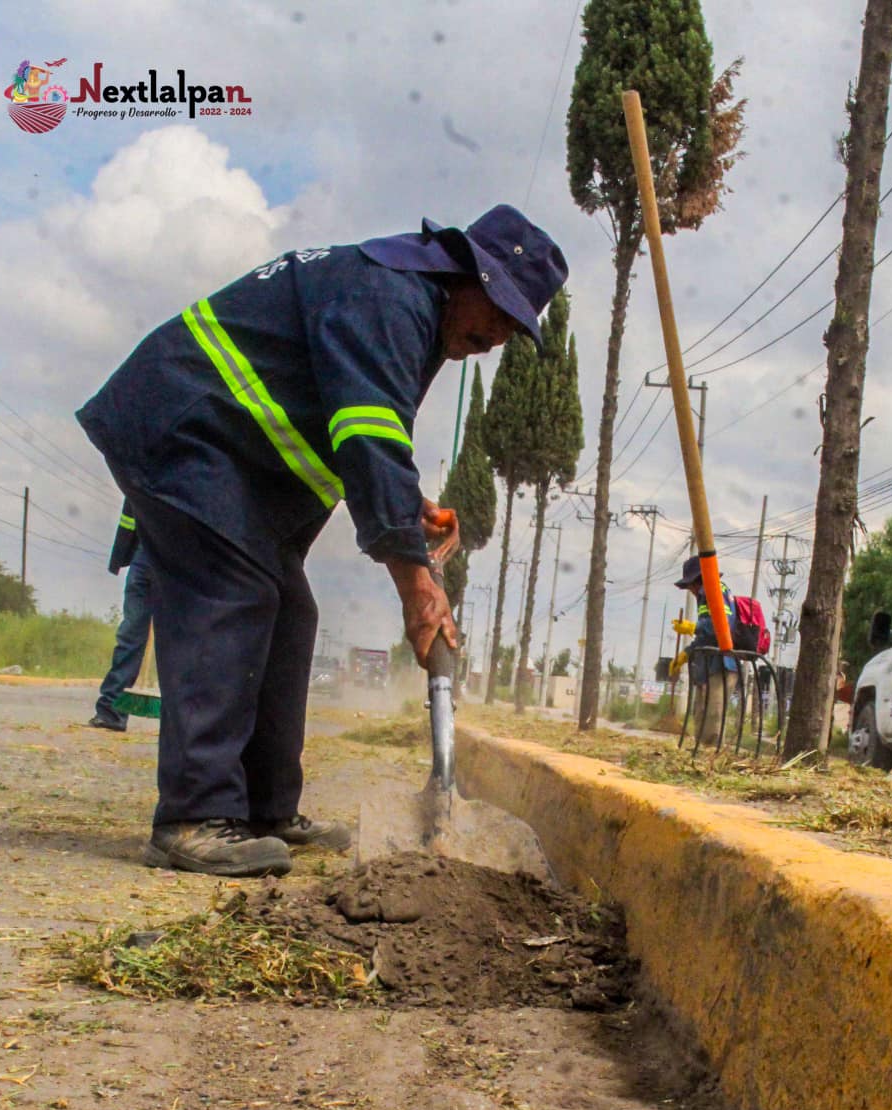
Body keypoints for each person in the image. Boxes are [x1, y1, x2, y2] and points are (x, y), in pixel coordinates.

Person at [76, 204, 567, 878]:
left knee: (289, 606)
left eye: (517, 324)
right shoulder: (390, 296)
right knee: (233, 589)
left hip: (227, 451)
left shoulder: (411, 304)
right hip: (186, 426)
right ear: (465, 271)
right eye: (501, 309)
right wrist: (418, 587)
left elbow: (363, 426)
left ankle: (265, 808)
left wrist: (407, 504)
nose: (501, 334)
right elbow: (367, 435)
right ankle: (192, 816)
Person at [88, 528, 153, 733]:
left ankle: (190, 720)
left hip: (186, 551)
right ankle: (112, 711)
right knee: (131, 632)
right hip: (147, 549)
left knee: (185, 636)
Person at [669, 556, 738, 744]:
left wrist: (693, 627)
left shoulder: (715, 589)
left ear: (697, 580)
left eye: (690, 585)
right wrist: (686, 654)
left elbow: (724, 625)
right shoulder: (703, 596)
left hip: (721, 665)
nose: (689, 590)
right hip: (706, 666)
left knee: (713, 719)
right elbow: (704, 637)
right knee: (700, 714)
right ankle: (699, 755)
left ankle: (710, 761)